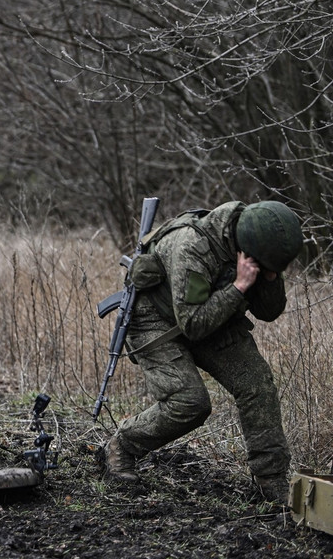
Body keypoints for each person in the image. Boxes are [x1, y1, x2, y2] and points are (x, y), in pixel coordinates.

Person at [100, 200, 302, 505]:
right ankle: (122, 446)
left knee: (256, 383)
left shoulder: (255, 247)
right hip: (154, 316)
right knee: (189, 403)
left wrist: (270, 277)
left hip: (209, 310)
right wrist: (239, 287)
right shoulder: (193, 248)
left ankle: (270, 480)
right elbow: (193, 325)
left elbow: (269, 312)